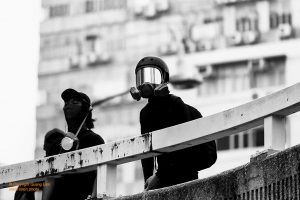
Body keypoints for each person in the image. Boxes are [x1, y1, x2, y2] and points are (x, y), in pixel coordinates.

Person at [130, 56, 217, 190]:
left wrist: (159, 176)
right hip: (163, 177)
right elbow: (146, 151)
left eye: (152, 76)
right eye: (141, 77)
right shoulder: (145, 113)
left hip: (185, 175)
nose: (145, 83)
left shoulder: (176, 104)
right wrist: (147, 182)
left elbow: (183, 148)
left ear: (163, 79)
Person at [41, 88, 105, 200]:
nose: (68, 106)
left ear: (86, 109)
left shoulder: (94, 140)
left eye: (75, 102)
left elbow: (99, 174)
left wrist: (95, 197)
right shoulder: (56, 144)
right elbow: (49, 179)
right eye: (66, 103)